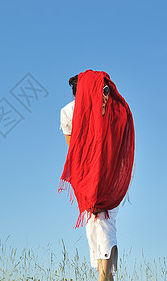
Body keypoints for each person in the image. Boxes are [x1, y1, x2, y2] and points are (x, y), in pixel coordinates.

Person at [59, 70, 135, 281]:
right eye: (99, 89)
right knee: (93, 226)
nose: (104, 94)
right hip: (87, 175)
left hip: (110, 174)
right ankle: (106, 276)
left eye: (105, 89)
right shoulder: (69, 112)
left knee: (103, 220)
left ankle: (104, 278)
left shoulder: (110, 109)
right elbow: (74, 150)